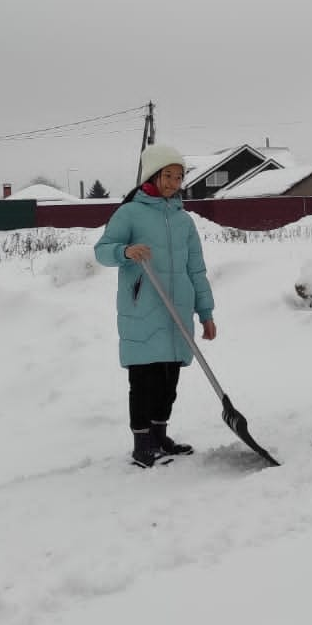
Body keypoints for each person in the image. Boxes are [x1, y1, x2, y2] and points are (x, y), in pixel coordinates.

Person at [94, 144, 217, 467]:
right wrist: (125, 251)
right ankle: (142, 441)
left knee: (168, 382)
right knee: (144, 382)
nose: (174, 183)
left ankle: (160, 435)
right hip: (143, 311)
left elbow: (196, 270)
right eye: (168, 176)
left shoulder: (184, 221)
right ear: (154, 174)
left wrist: (205, 313)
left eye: (179, 177)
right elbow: (102, 250)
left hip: (177, 311)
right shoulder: (130, 213)